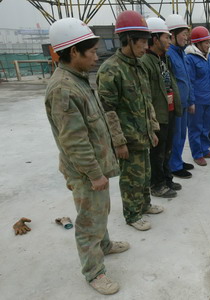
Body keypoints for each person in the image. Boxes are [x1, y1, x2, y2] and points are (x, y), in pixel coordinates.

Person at [45, 18, 128, 295]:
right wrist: (94, 174)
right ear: (73, 53)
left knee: (100, 210)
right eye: (91, 52)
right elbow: (74, 140)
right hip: (85, 171)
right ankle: (94, 272)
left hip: (95, 167)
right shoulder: (64, 89)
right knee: (89, 221)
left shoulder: (77, 80)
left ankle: (104, 245)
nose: (96, 57)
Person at [97, 11, 163, 232]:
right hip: (127, 136)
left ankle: (144, 205)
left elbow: (147, 101)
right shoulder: (111, 70)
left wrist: (153, 128)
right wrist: (118, 141)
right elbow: (108, 109)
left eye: (147, 41)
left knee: (144, 173)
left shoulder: (140, 64)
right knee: (130, 178)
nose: (146, 47)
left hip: (143, 133)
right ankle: (132, 214)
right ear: (128, 40)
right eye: (142, 42)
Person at [141, 18, 182, 198]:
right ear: (155, 38)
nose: (169, 40)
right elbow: (146, 93)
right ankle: (156, 184)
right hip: (157, 114)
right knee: (157, 152)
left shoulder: (163, 58)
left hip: (169, 111)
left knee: (168, 149)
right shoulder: (146, 61)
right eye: (166, 37)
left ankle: (166, 178)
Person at [185, 26, 210, 166]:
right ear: (197, 44)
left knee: (206, 127)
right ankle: (197, 154)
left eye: (209, 42)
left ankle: (205, 149)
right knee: (196, 128)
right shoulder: (190, 59)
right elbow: (190, 82)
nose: (208, 45)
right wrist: (191, 101)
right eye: (205, 42)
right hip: (198, 101)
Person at [166, 14, 195, 179]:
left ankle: (178, 160)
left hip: (184, 103)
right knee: (176, 136)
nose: (186, 37)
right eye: (183, 34)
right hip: (175, 104)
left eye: (186, 34)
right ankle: (174, 165)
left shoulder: (182, 53)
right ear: (172, 35)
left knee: (182, 135)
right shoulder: (169, 55)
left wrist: (191, 101)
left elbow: (187, 80)